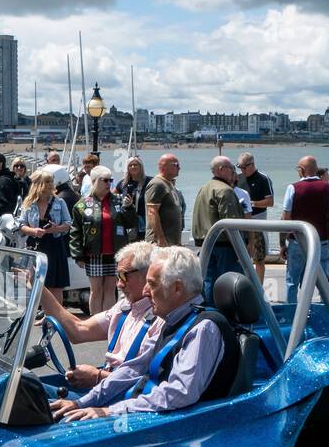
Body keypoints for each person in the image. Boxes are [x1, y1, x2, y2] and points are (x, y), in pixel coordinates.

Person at [52, 246, 227, 421]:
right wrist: (81, 404)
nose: (145, 292)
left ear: (177, 288)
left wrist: (111, 411)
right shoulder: (172, 320)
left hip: (172, 430)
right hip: (142, 411)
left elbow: (180, 392)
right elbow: (133, 369)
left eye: (151, 284)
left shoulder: (203, 329)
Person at [40, 240, 161, 389]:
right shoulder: (125, 308)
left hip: (121, 399)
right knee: (25, 385)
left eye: (124, 276)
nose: (119, 284)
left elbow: (143, 382)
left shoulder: (161, 318)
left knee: (27, 390)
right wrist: (39, 287)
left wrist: (97, 377)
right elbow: (78, 330)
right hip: (105, 387)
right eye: (117, 276)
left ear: (148, 275)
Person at [69, 165, 138, 314]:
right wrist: (78, 255)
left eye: (110, 180)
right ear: (94, 181)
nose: (109, 184)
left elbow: (131, 224)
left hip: (115, 253)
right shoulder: (81, 205)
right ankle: (95, 321)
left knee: (110, 289)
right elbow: (75, 232)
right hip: (93, 254)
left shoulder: (119, 200)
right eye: (105, 180)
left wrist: (129, 208)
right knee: (96, 290)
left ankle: (108, 322)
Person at [280, 156, 329, 303]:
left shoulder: (293, 188)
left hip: (297, 242)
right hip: (321, 241)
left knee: (292, 281)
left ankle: (292, 315)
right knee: (323, 282)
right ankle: (324, 311)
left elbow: (285, 218)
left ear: (301, 170)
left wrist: (282, 243)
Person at [192, 155, 246, 295]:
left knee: (209, 281)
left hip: (206, 244)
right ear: (221, 169)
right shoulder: (225, 190)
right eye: (232, 169)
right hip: (225, 246)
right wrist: (241, 248)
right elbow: (231, 224)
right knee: (232, 283)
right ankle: (229, 314)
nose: (234, 173)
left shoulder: (204, 189)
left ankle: (210, 312)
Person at [20, 167, 73, 304]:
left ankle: (56, 317)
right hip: (36, 246)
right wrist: (33, 231)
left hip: (55, 246)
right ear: (38, 184)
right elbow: (21, 225)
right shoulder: (28, 203)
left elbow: (68, 223)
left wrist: (56, 229)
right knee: (39, 284)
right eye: (47, 181)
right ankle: (45, 314)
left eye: (51, 181)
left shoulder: (59, 202)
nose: (51, 184)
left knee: (56, 286)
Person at [238, 153, 273, 281]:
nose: (242, 170)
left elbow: (270, 202)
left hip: (258, 222)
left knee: (259, 259)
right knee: (240, 259)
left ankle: (259, 289)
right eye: (239, 167)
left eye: (244, 167)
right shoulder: (237, 178)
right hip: (241, 223)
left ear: (252, 164)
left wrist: (253, 203)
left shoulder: (263, 179)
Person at [145, 154, 183, 247]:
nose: (179, 168)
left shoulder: (169, 184)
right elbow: (152, 212)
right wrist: (160, 238)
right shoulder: (157, 184)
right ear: (163, 166)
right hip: (160, 243)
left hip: (171, 242)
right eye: (176, 165)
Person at [116, 157, 149, 237]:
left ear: (141, 167)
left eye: (135, 165)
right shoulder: (123, 183)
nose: (133, 167)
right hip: (128, 222)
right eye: (130, 165)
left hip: (143, 222)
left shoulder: (149, 181)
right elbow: (111, 196)